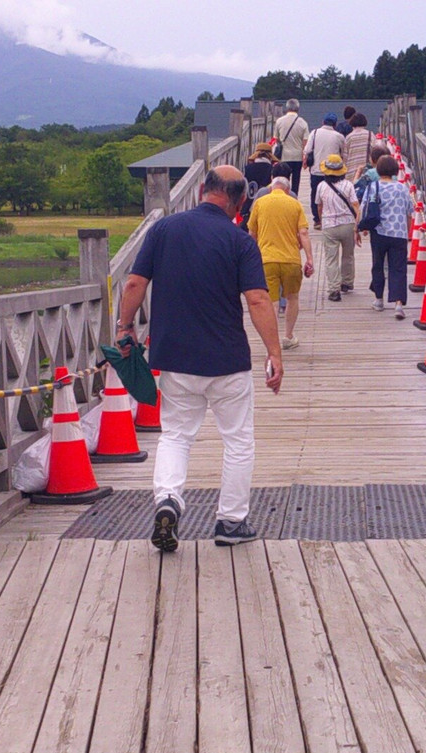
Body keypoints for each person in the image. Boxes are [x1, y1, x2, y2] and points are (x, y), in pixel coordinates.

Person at [117, 166, 283, 552]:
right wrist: (274, 353)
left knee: (176, 435)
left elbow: (134, 283)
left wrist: (126, 328)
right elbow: (258, 299)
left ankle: (169, 502)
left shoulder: (163, 230)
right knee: (238, 442)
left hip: (175, 358)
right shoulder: (240, 241)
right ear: (240, 203)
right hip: (227, 360)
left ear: (202, 191)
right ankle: (231, 520)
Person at [248, 170, 314, 349]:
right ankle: (288, 336)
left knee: (271, 301)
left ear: (272, 187)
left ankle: (273, 339)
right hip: (291, 259)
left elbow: (251, 234)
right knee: (292, 298)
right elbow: (303, 233)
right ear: (287, 189)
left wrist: (250, 257)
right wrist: (309, 258)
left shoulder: (260, 203)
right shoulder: (295, 204)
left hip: (266, 259)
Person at [367, 155, 415, 319]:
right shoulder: (402, 188)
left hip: (379, 232)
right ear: (395, 170)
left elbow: (367, 208)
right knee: (398, 268)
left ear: (378, 170)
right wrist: (407, 231)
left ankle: (379, 300)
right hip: (399, 233)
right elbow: (410, 212)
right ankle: (398, 304)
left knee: (378, 264)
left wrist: (360, 228)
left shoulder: (373, 187)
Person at [314, 154, 360, 301]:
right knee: (348, 255)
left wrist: (322, 221)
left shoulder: (321, 186)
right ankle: (347, 282)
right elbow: (355, 205)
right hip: (348, 224)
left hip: (329, 225)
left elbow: (319, 206)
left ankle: (334, 289)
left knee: (331, 258)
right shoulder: (348, 185)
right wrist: (358, 225)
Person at [304, 112, 346, 229]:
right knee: (333, 194)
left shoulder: (314, 133)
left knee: (315, 195)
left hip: (316, 170)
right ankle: (332, 218)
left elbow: (307, 150)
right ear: (335, 124)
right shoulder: (339, 136)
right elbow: (343, 153)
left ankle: (317, 220)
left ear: (323, 122)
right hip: (334, 170)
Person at [239, 142, 279, 229]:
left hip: (249, 207)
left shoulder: (247, 169)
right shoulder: (272, 169)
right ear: (270, 156)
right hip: (268, 207)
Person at [274, 98, 309, 195]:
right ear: (298, 109)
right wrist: (305, 158)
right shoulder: (303, 123)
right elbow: (305, 142)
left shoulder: (279, 121)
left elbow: (276, 139)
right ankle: (294, 196)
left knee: (284, 179)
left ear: (287, 108)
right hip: (297, 156)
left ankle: (284, 195)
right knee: (296, 180)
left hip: (284, 156)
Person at [344, 112, 372, 181]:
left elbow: (345, 157)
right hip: (365, 171)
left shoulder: (349, 137)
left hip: (351, 172)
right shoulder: (370, 135)